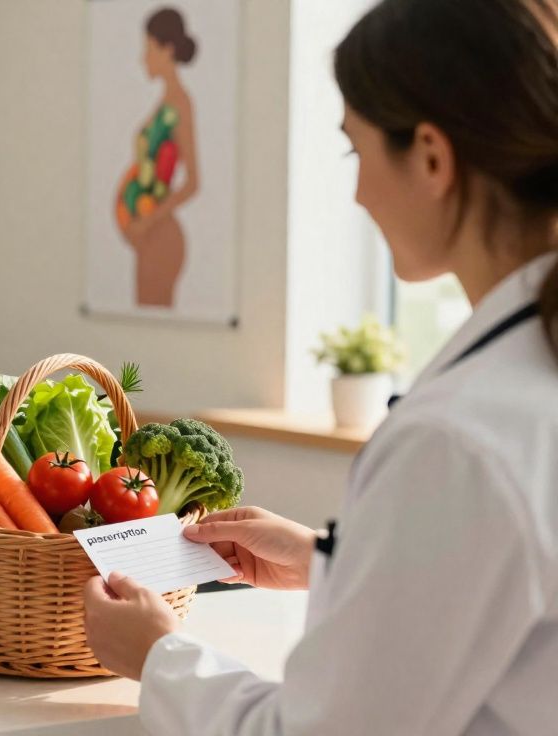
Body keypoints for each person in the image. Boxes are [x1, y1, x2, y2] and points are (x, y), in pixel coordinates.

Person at [83, 0, 558, 732]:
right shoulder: (517, 389)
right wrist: (332, 562)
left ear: (432, 157)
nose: (359, 192)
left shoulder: (458, 441)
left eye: (354, 152)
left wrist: (156, 656)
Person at [116, 7, 201, 308]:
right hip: (148, 238)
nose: (144, 58)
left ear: (167, 50)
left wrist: (146, 222)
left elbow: (193, 182)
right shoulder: (165, 102)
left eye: (148, 49)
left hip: (161, 237)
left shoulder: (180, 105)